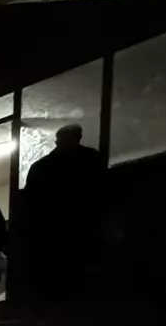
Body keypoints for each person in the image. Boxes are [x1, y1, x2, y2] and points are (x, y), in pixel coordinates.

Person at [22, 123, 105, 301]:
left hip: (55, 229)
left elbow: (31, 202)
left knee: (60, 277)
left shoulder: (42, 167)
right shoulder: (91, 159)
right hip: (82, 226)